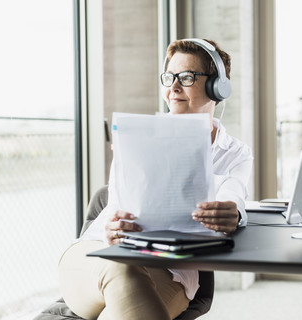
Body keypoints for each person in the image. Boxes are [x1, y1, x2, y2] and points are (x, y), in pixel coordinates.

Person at [58, 39, 253, 320]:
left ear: (217, 87)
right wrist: (114, 225)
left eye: (186, 77)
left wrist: (233, 213)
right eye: (169, 77)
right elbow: (116, 205)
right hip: (97, 254)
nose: (173, 87)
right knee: (120, 266)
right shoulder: (138, 136)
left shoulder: (234, 153)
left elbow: (235, 193)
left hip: (169, 272)